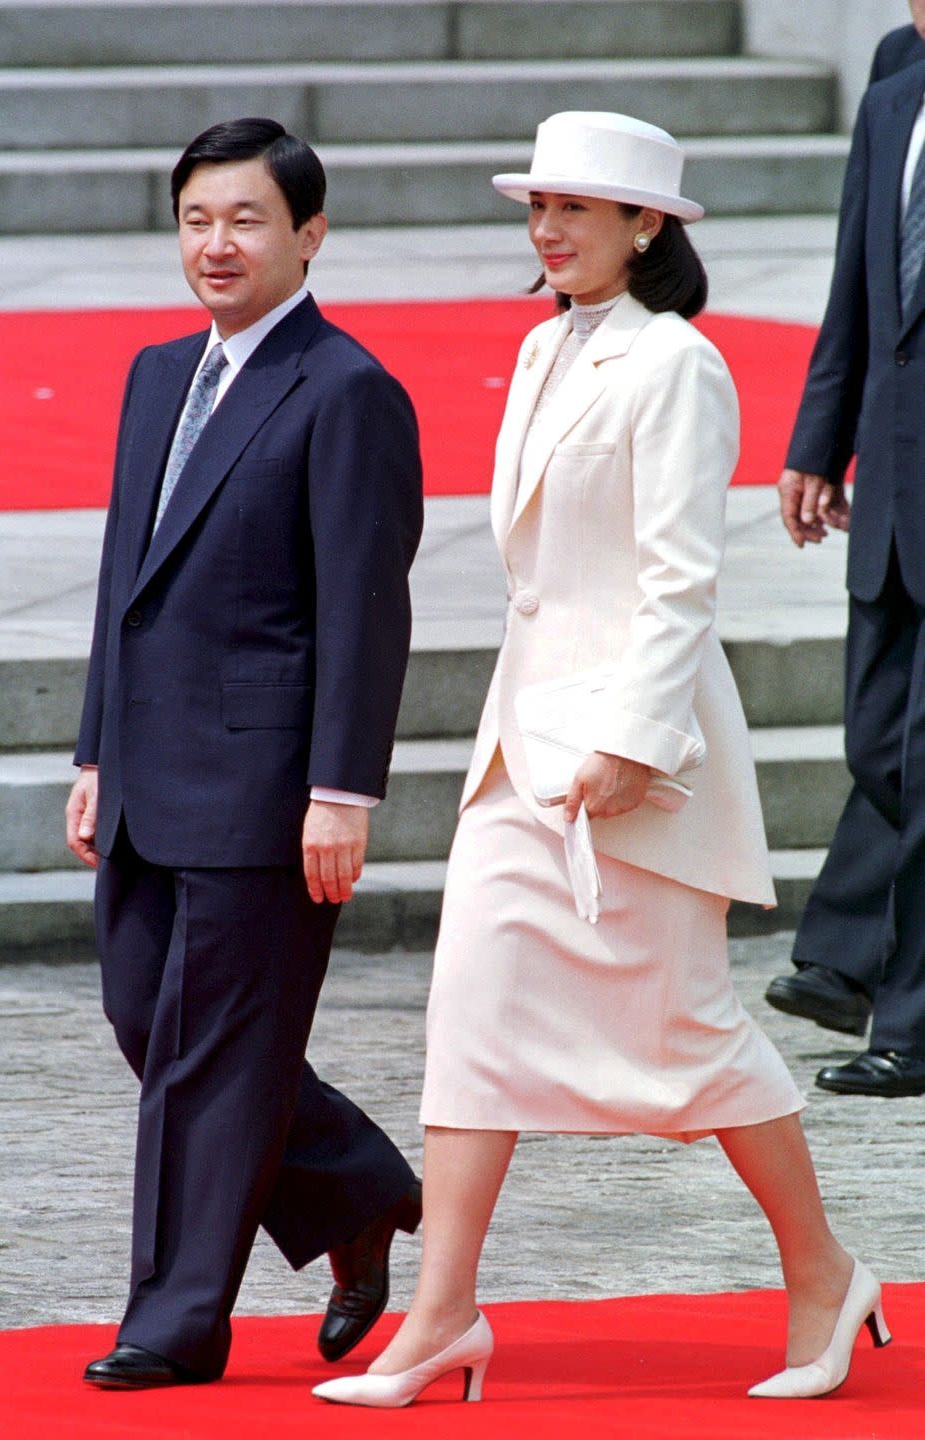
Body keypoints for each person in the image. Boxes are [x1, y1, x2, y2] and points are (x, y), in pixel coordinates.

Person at [312, 111, 888, 1410]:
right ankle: (442, 1315)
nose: (549, 228)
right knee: (465, 1008)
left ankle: (821, 1273)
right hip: (522, 752)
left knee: (686, 1032)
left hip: (637, 758)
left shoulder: (674, 364)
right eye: (539, 207)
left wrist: (632, 741)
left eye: (578, 207)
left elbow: (681, 583)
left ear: (648, 225)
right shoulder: (536, 349)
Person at [64, 117, 424, 1389]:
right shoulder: (159, 372)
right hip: (149, 773)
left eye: (246, 221)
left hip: (269, 787)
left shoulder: (346, 390)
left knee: (213, 1057)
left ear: (309, 236)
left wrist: (340, 789)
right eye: (196, 221)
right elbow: (126, 579)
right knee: (141, 1017)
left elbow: (365, 608)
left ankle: (173, 1319)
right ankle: (357, 1188)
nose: (216, 245)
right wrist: (96, 746)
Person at [765, 4, 925, 1099]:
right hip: (893, 489)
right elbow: (854, 287)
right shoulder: (891, 87)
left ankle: (909, 1029)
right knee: (875, 748)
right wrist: (817, 442)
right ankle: (861, 964)